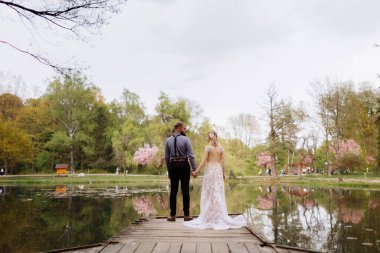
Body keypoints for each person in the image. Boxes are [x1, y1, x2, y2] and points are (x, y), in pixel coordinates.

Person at [184, 131, 246, 230]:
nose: (208, 139)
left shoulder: (208, 148)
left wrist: (196, 171)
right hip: (217, 171)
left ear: (210, 138)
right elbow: (223, 162)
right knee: (217, 193)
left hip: (210, 171)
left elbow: (204, 161)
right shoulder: (221, 148)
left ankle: (210, 216)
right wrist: (223, 174)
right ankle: (217, 216)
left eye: (209, 137)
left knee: (209, 193)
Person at [165, 122, 197, 222]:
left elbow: (166, 157)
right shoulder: (186, 139)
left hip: (173, 166)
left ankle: (172, 215)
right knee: (185, 190)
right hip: (184, 165)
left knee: (173, 191)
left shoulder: (168, 140)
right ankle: (186, 215)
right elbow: (191, 156)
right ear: (179, 128)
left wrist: (169, 171)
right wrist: (194, 169)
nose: (185, 130)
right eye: (184, 128)